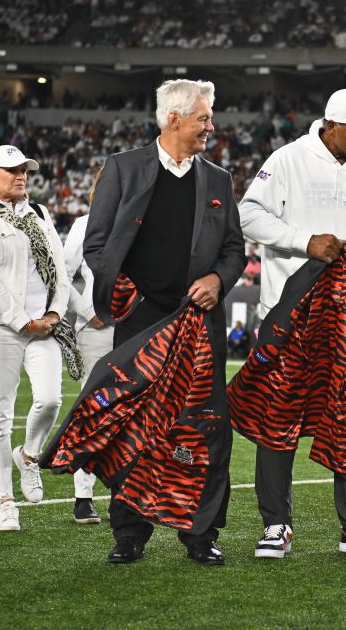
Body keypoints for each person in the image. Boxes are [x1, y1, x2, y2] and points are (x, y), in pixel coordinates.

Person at [239, 87, 346, 559]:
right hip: (291, 315)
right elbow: (248, 214)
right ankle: (276, 524)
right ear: (331, 125)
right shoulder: (288, 160)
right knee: (279, 419)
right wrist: (303, 240)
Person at [83, 79, 245, 566]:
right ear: (174, 119)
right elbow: (97, 245)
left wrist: (218, 279)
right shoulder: (122, 168)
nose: (210, 127)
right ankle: (129, 532)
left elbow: (234, 248)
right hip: (141, 324)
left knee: (206, 427)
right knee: (135, 424)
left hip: (200, 325)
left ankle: (201, 533)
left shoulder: (218, 179)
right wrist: (132, 300)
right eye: (203, 118)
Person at [0, 145, 74, 532]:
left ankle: (29, 456)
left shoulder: (39, 213)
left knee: (50, 399)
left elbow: (60, 269)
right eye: (12, 170)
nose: (21, 176)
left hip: (44, 326)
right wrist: (22, 320)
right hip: (2, 328)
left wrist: (54, 313)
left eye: (25, 171)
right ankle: (4, 502)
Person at [61, 170, 112, 525]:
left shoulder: (143, 221)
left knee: (138, 409)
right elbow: (61, 275)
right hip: (98, 329)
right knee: (93, 408)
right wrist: (88, 312)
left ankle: (131, 492)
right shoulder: (85, 223)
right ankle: (83, 495)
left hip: (136, 329)